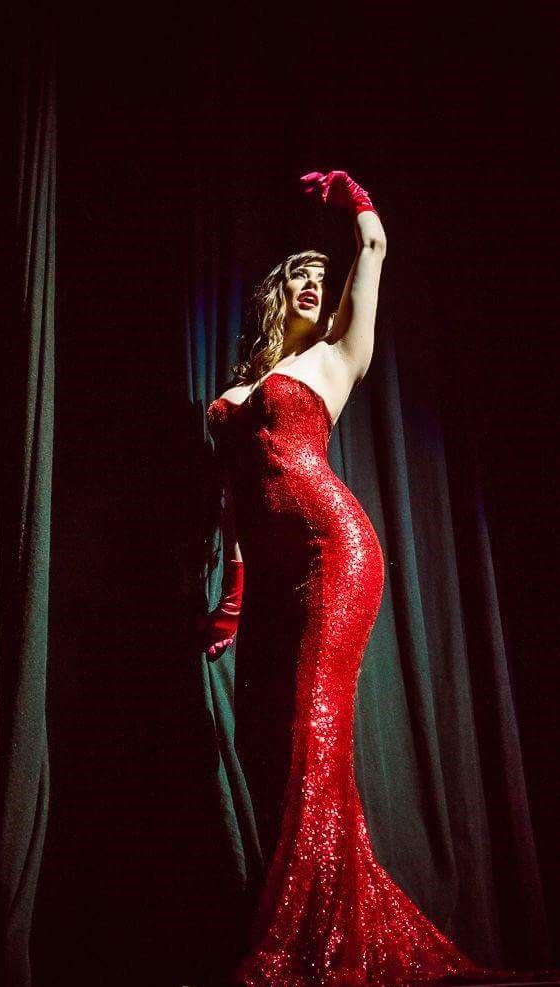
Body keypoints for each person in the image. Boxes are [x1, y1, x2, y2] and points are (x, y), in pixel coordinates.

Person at [200, 171, 555, 986]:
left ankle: (308, 939)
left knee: (315, 730)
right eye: (301, 273)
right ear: (275, 293)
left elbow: (373, 246)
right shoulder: (237, 391)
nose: (315, 282)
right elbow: (236, 506)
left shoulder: (335, 357)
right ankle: (328, 915)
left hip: (337, 553)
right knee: (277, 740)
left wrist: (354, 201)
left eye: (322, 278)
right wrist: (232, 597)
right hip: (275, 575)